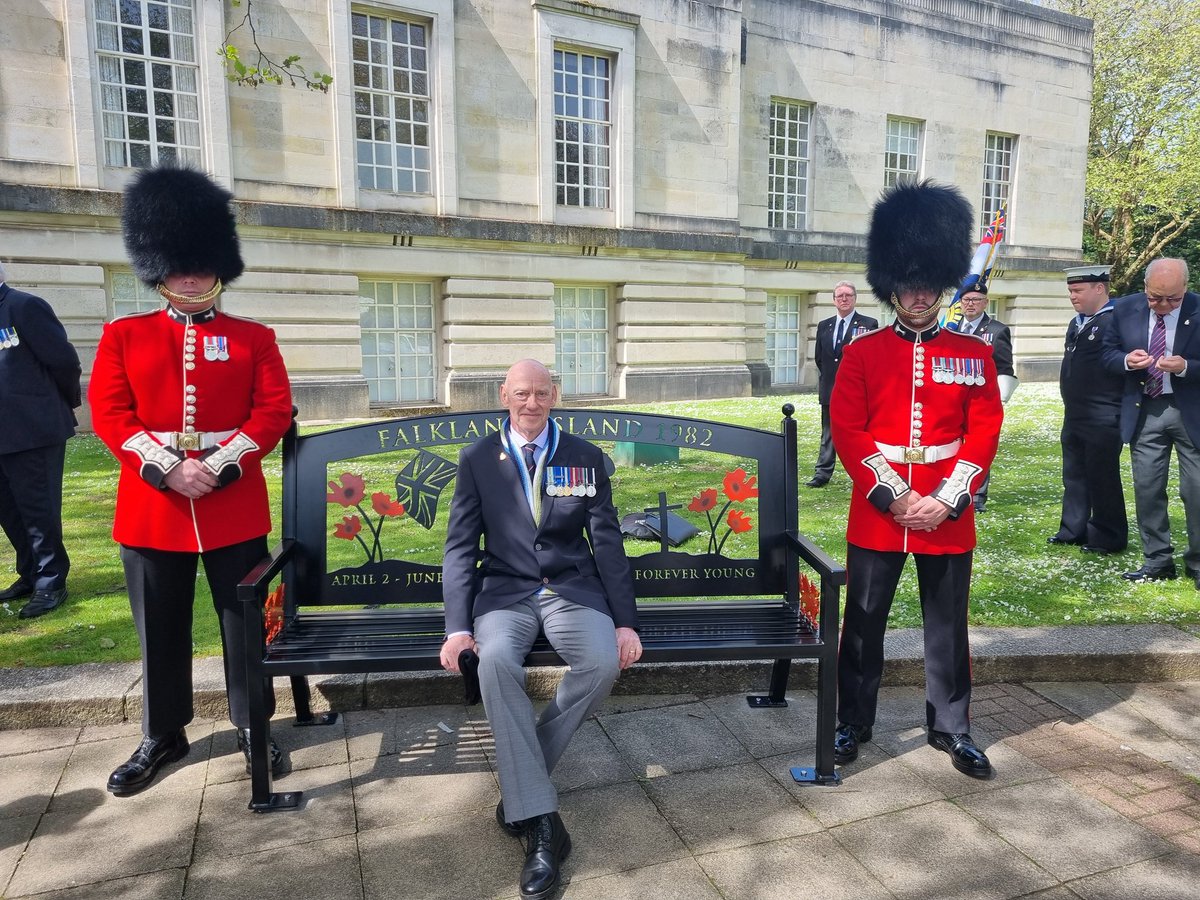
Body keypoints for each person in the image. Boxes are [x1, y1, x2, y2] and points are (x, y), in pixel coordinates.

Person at [89, 166, 293, 796]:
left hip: (232, 505)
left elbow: (272, 411)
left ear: (218, 267)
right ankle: (162, 731)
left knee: (242, 623)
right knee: (160, 625)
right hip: (154, 508)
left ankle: (252, 724)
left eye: (200, 264)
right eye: (178, 265)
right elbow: (110, 414)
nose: (190, 274)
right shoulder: (124, 335)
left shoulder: (254, 339)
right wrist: (169, 467)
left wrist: (219, 465)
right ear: (159, 269)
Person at [440, 358, 640, 900]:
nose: (531, 404)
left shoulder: (583, 457)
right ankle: (542, 823)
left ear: (556, 394)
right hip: (505, 592)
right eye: (521, 393)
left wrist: (624, 621)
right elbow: (460, 545)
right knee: (496, 660)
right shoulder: (479, 458)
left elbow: (608, 542)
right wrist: (457, 628)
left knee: (601, 663)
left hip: (571, 590)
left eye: (542, 393)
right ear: (503, 393)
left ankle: (522, 788)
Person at [830, 180, 1003, 779]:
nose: (919, 297)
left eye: (929, 286)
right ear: (893, 287)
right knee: (862, 624)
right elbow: (849, 431)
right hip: (880, 511)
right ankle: (852, 719)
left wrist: (947, 498)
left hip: (945, 513)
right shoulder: (862, 353)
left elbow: (983, 430)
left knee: (948, 627)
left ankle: (952, 727)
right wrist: (897, 494)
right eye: (909, 286)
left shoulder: (973, 354)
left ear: (943, 286)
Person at [1101, 258, 1200, 587]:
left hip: (1190, 411)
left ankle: (1198, 563)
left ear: (1185, 288)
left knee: (1195, 490)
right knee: (1147, 489)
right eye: (1155, 297)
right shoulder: (1125, 308)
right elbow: (1107, 353)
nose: (1162, 305)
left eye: (1172, 299)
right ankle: (1157, 560)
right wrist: (1127, 361)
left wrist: (1187, 366)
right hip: (1146, 409)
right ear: (1145, 287)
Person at [0, 260, 81, 619]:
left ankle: (52, 580)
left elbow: (63, 361)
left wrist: (58, 407)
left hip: (33, 430)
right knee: (9, 510)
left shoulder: (23, 306)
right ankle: (30, 574)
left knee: (38, 509)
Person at [1048, 265, 1127, 554]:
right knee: (1074, 475)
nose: (1072, 296)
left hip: (1104, 413)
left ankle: (1108, 536)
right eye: (1070, 290)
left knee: (1102, 477)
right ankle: (1073, 529)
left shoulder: (1115, 320)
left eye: (1077, 290)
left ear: (1099, 288)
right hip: (1075, 413)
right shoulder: (1077, 322)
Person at [948, 284, 1015, 511]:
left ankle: (976, 496)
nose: (970, 304)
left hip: (980, 399)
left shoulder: (996, 330)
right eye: (966, 300)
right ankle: (952, 488)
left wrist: (1001, 396)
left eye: (976, 300)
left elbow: (1005, 367)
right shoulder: (950, 328)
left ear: (985, 302)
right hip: (952, 397)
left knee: (980, 443)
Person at [807, 281, 878, 487]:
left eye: (848, 295)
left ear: (855, 298)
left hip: (857, 391)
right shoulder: (824, 325)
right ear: (834, 300)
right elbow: (820, 358)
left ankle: (862, 473)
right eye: (840, 296)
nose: (844, 299)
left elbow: (871, 359)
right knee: (828, 433)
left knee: (860, 434)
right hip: (830, 389)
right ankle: (822, 474)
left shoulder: (868, 324)